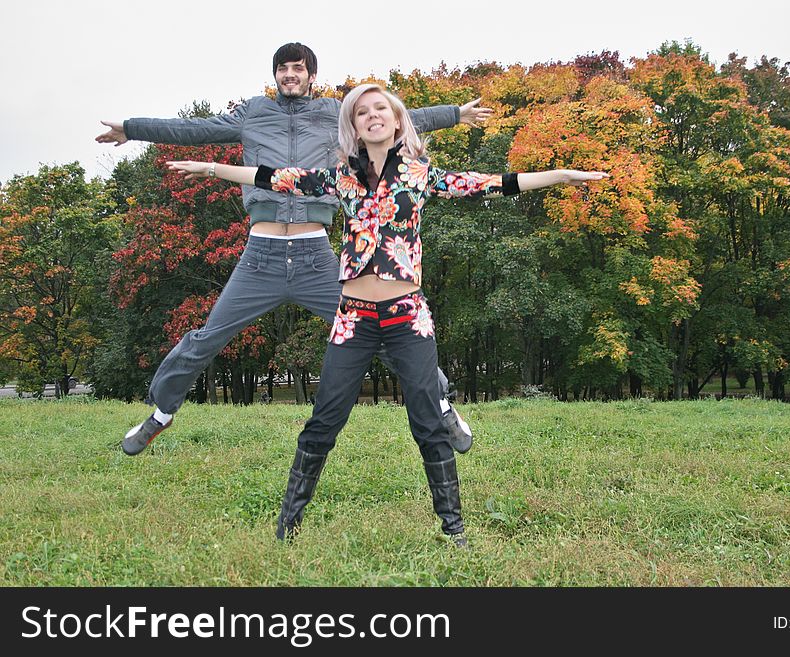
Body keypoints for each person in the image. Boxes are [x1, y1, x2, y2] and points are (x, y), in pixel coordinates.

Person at [167, 83, 610, 547]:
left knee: (427, 420)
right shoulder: (339, 178)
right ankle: (286, 529)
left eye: (382, 109)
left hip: (408, 316)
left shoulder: (420, 176)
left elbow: (493, 182)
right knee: (324, 420)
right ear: (354, 127)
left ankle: (454, 530)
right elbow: (271, 176)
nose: (373, 116)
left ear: (399, 121)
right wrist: (210, 168)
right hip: (353, 318)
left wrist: (559, 175)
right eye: (362, 112)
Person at [96, 43, 488, 455]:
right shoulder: (253, 114)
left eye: (297, 69)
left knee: (388, 334)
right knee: (206, 338)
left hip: (314, 257)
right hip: (260, 258)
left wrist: (455, 114)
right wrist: (131, 127)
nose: (290, 75)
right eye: (283, 69)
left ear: (311, 75)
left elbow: (396, 117)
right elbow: (195, 129)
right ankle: (160, 414)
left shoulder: (335, 114)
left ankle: (441, 405)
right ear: (275, 76)